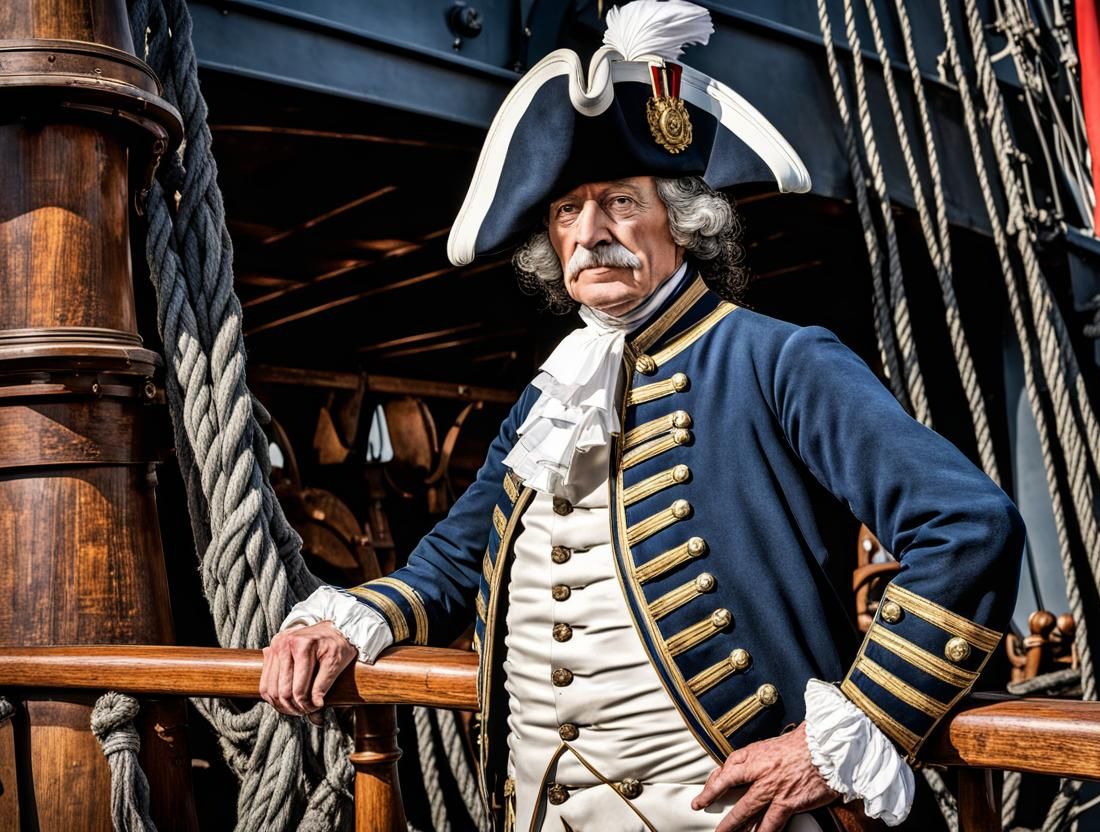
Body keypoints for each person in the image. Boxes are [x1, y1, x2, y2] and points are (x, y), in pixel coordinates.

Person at [260, 3, 1025, 830]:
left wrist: (847, 730)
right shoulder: (552, 393)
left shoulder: (775, 359)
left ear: (683, 222)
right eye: (566, 213)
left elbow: (968, 525)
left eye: (620, 202)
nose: (590, 234)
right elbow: (454, 561)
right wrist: (350, 622)